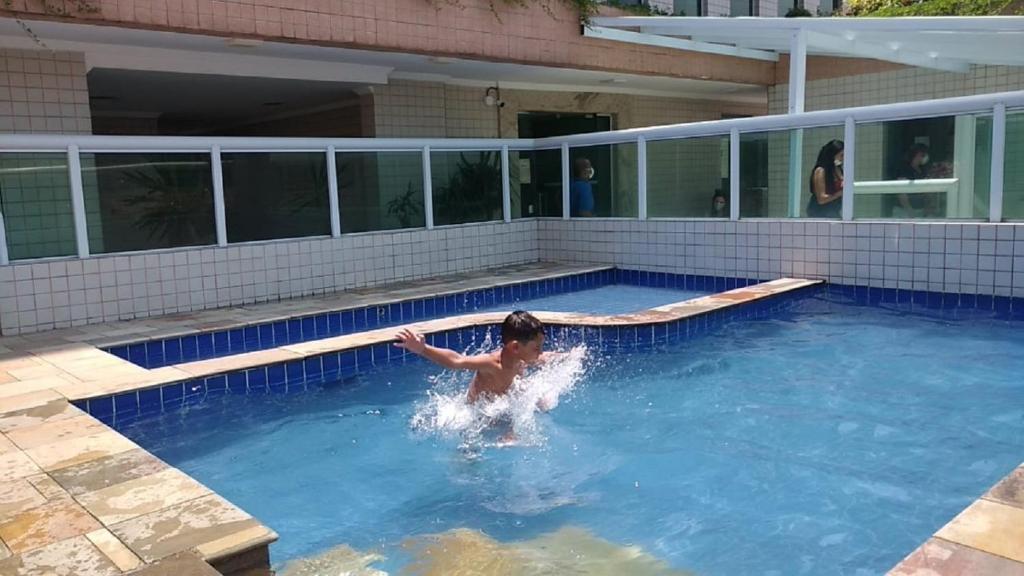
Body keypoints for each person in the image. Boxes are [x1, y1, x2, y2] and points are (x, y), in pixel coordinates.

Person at [394, 311, 551, 405]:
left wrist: (572, 356)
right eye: (536, 348)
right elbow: (457, 361)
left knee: (539, 404)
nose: (540, 351)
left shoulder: (521, 360)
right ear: (515, 347)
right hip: (477, 414)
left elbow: (545, 358)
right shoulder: (492, 363)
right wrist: (423, 349)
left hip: (501, 405)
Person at [891, 143, 936, 217]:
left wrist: (928, 205)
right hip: (903, 211)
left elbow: (925, 190)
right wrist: (909, 210)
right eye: (922, 154)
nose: (925, 157)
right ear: (915, 154)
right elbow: (901, 191)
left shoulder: (922, 170)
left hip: (919, 210)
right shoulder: (904, 169)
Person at [806, 139, 844, 219]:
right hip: (820, 212)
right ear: (833, 155)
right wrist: (840, 193)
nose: (843, 158)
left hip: (834, 211)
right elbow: (821, 199)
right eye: (841, 155)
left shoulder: (838, 169)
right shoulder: (821, 171)